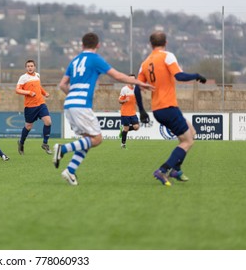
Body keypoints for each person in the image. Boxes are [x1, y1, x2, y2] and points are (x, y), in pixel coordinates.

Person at [53, 32, 153, 185]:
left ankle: (70, 171)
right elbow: (118, 76)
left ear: (82, 45)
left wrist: (73, 95)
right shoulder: (94, 59)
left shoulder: (74, 60)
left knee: (88, 140)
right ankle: (63, 149)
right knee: (97, 139)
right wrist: (139, 82)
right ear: (98, 45)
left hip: (69, 104)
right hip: (81, 106)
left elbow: (62, 85)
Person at [137, 30, 206, 186]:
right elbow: (179, 76)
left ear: (150, 44)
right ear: (166, 43)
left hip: (159, 110)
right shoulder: (167, 56)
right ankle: (163, 170)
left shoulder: (145, 63)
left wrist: (141, 110)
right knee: (188, 141)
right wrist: (197, 75)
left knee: (191, 133)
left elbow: (137, 87)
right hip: (168, 107)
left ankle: (176, 170)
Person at [15, 59, 52, 155]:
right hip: (30, 107)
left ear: (34, 67)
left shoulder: (37, 75)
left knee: (48, 122)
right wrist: (29, 92)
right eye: (28, 66)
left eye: (31, 66)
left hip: (40, 104)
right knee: (28, 126)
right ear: (26, 68)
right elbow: (17, 90)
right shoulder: (23, 78)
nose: (30, 68)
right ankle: (21, 143)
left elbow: (39, 87)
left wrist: (44, 93)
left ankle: (45, 143)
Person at [118, 74, 143, 149]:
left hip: (133, 113)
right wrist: (125, 100)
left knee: (136, 127)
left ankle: (124, 130)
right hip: (125, 113)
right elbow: (119, 100)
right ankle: (123, 144)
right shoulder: (124, 89)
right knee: (126, 129)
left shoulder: (136, 89)